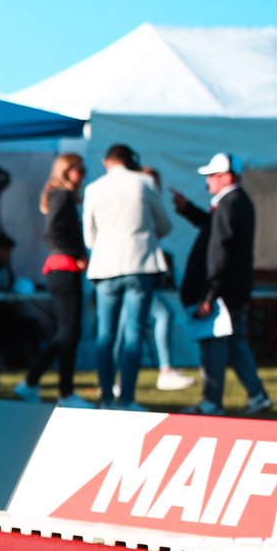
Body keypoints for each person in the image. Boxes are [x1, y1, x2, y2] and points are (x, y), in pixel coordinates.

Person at [172, 153, 272, 416]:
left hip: (223, 290)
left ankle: (212, 401)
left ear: (226, 177)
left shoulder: (229, 204)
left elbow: (220, 249)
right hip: (232, 288)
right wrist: (188, 209)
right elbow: (213, 231)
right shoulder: (236, 202)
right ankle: (257, 395)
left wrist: (209, 292)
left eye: (212, 176)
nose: (208, 182)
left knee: (215, 345)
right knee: (235, 344)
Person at [82, 144, 170, 411]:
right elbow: (164, 224)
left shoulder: (93, 188)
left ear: (107, 161)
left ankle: (106, 397)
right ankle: (127, 398)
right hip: (139, 264)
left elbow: (89, 236)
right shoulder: (143, 182)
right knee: (134, 332)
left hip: (105, 267)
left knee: (105, 335)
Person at [15, 154, 95, 407]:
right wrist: (77, 254)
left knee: (68, 332)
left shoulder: (61, 196)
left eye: (83, 169)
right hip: (64, 268)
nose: (82, 174)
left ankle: (40, 385)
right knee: (68, 332)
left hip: (62, 269)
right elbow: (53, 233)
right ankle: (58, 391)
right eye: (78, 169)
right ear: (65, 170)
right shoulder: (63, 196)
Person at [114, 167, 196, 392]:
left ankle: (114, 381)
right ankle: (164, 370)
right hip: (134, 272)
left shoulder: (127, 202)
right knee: (157, 317)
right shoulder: (142, 203)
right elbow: (164, 227)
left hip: (120, 271)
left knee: (123, 327)